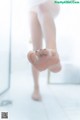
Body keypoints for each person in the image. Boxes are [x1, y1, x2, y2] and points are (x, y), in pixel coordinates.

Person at [27, 0, 62, 101]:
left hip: (48, 3)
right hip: (31, 8)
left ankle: (53, 53)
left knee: (42, 7)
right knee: (36, 51)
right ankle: (36, 88)